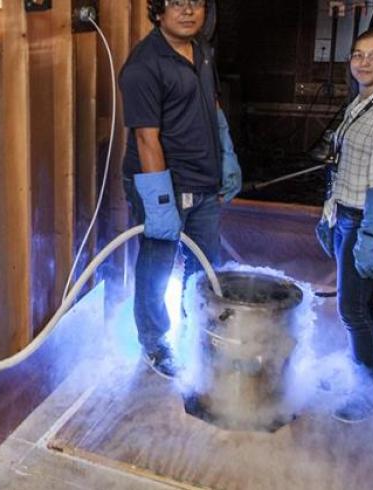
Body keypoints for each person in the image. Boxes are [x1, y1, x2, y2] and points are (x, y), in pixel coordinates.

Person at [117, 0, 241, 378]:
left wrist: (226, 154)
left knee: (204, 265)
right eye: (176, 2)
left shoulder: (201, 50)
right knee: (157, 265)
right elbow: (146, 139)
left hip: (204, 182)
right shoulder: (143, 66)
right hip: (164, 185)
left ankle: (199, 332)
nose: (188, 11)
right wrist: (159, 203)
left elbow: (212, 105)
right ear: (158, 10)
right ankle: (154, 343)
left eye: (196, 2)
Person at [314, 29, 373, 423]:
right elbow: (342, 167)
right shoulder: (361, 103)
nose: (364, 62)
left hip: (364, 222)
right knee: (362, 303)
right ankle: (360, 371)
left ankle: (365, 389)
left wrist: (371, 237)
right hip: (346, 215)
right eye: (358, 54)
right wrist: (328, 213)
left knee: (350, 308)